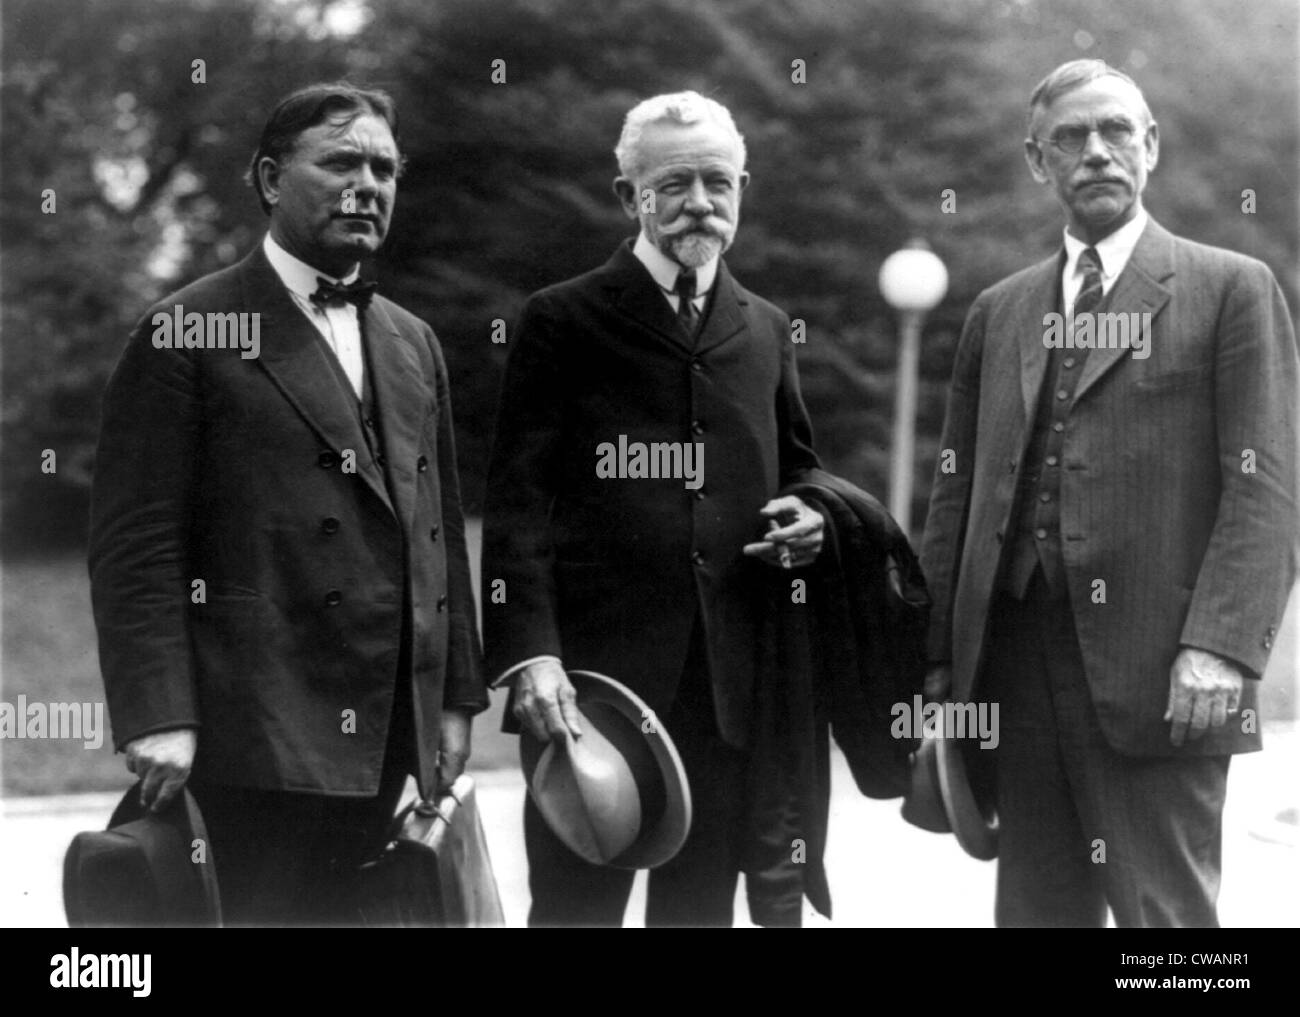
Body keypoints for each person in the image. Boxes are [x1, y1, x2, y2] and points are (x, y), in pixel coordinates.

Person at [88, 83, 487, 925]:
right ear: (271, 179)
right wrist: (159, 712)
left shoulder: (412, 342)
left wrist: (452, 700)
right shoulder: (188, 328)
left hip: (384, 732)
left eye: (384, 167)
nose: (367, 184)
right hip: (251, 731)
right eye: (341, 161)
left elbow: (438, 532)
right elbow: (137, 545)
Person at [920, 59, 1298, 927]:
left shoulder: (1231, 290)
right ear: (1036, 160)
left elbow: (1267, 491)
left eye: (1117, 131)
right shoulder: (999, 310)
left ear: (1150, 146)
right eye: (1070, 138)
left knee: (1165, 926)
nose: (1096, 152)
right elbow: (957, 493)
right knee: (1037, 913)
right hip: (1015, 663)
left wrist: (1221, 649)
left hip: (1167, 668)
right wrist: (940, 656)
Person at [481, 90, 825, 927]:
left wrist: (814, 515)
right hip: (592, 691)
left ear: (743, 187)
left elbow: (801, 469)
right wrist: (532, 658)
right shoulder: (561, 320)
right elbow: (517, 506)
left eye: (718, 181)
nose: (699, 203)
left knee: (700, 911)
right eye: (673, 184)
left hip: (726, 694)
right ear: (626, 195)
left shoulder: (767, 329)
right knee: (573, 910)